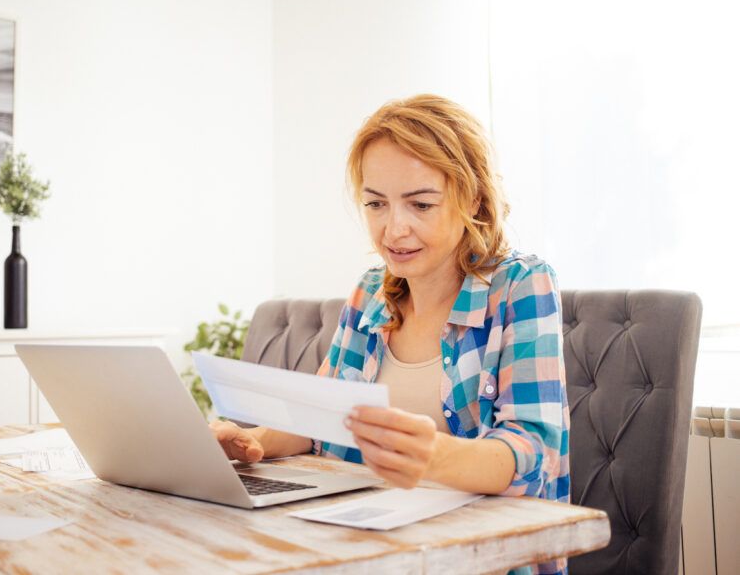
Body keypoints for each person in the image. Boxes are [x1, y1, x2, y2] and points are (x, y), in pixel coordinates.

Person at [210, 94, 570, 575]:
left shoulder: (519, 286)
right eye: (376, 204)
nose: (393, 229)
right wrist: (250, 441)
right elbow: (323, 418)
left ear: (474, 199)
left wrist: (436, 456)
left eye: (420, 204)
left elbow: (535, 453)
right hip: (369, 549)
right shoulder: (370, 294)